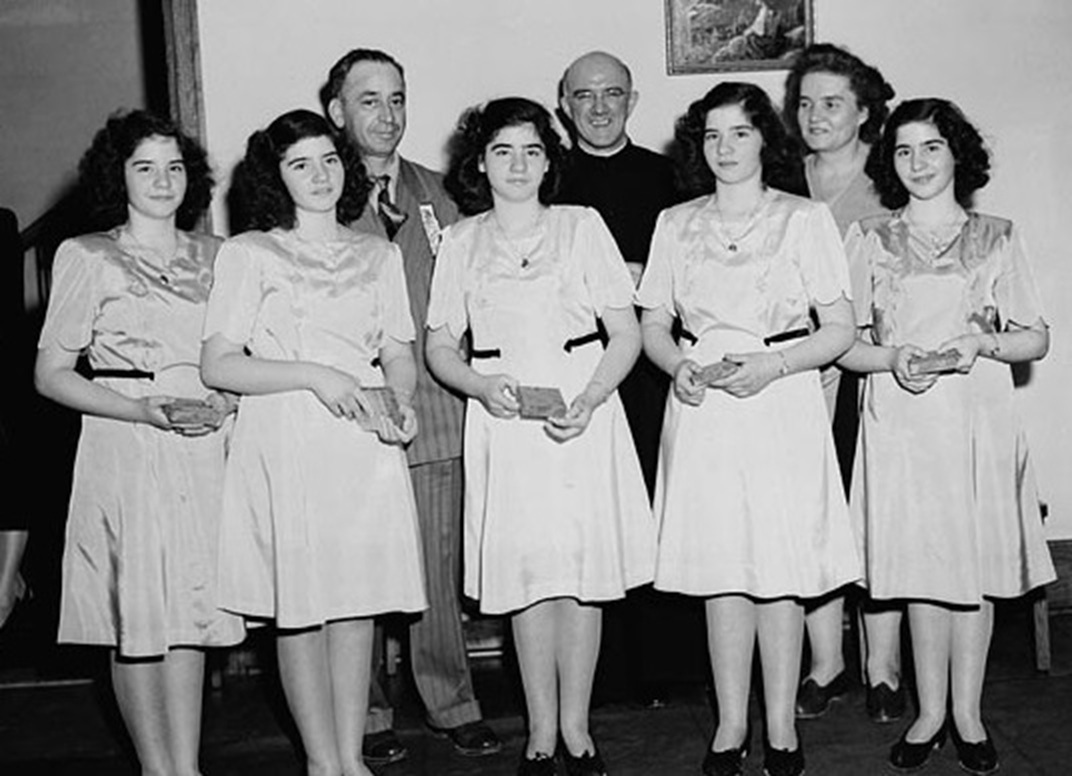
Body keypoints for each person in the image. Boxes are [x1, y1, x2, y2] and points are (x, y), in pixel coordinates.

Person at [426, 96, 655, 776]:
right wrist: (476, 385)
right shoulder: (462, 240)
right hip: (505, 419)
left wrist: (590, 397)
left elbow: (626, 332)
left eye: (531, 150)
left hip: (583, 412)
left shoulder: (582, 226)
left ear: (549, 160)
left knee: (581, 575)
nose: (518, 164)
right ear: (479, 163)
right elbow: (441, 344)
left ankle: (579, 730)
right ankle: (540, 734)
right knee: (528, 578)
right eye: (503, 151)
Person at [637, 82, 859, 776]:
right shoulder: (675, 222)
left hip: (780, 400)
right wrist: (678, 365)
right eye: (711, 135)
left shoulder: (804, 219)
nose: (724, 148)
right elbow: (652, 322)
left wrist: (775, 365)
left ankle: (782, 726)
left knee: (780, 570)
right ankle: (731, 724)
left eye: (739, 133)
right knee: (721, 571)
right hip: (704, 410)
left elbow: (841, 331)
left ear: (766, 138)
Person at [201, 109, 427, 776]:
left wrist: (404, 403)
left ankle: (350, 758)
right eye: (301, 164)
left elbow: (398, 352)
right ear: (276, 177)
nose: (320, 175)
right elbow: (220, 364)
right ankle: (321, 762)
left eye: (329, 160)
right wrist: (315, 375)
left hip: (360, 442)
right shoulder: (251, 253)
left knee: (355, 603)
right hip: (288, 437)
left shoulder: (377, 254)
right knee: (301, 608)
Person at [841, 98, 1054, 776]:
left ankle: (967, 712)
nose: (918, 163)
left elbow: (1036, 336)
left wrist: (979, 343)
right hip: (900, 422)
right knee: (920, 570)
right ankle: (928, 712)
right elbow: (845, 344)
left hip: (975, 419)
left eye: (931, 147)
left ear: (957, 153)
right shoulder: (870, 237)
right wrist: (892, 358)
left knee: (975, 570)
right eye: (904, 150)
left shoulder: (998, 234)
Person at [34, 109, 246, 775]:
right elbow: (50, 376)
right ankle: (159, 768)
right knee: (136, 615)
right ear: (118, 175)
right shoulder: (87, 254)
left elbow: (238, 355)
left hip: (203, 443)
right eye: (145, 167)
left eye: (174, 166)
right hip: (125, 442)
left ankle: (187, 765)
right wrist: (141, 409)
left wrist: (227, 399)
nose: (162, 180)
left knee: (192, 609)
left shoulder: (219, 255)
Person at [320, 48, 502, 764]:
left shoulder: (441, 194)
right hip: (350, 417)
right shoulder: (313, 191)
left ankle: (451, 701)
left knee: (436, 569)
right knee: (353, 569)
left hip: (434, 411)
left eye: (397, 98)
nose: (386, 114)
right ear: (338, 112)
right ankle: (363, 713)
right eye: (368, 100)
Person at [555, 49, 693, 707]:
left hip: (658, 374)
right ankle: (601, 675)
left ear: (633, 101)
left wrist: (649, 284)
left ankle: (669, 665)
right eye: (585, 96)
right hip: (584, 369)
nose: (600, 107)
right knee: (591, 513)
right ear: (565, 104)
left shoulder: (672, 178)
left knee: (663, 508)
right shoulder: (545, 180)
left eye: (613, 93)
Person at [782, 42, 904, 723]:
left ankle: (881, 668)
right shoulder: (780, 177)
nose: (817, 115)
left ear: (864, 111)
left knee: (874, 512)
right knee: (812, 513)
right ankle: (824, 663)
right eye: (805, 103)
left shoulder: (893, 178)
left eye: (833, 103)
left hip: (878, 370)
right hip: (800, 373)